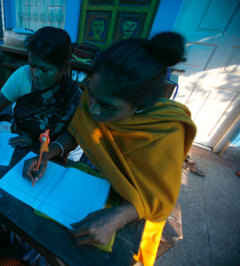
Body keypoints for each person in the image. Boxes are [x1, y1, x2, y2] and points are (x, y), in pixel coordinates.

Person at [22, 32, 197, 265]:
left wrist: (119, 215)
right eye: (90, 95)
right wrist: (48, 154)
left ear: (140, 106)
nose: (93, 109)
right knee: (52, 231)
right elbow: (77, 132)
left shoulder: (166, 130)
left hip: (139, 202)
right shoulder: (98, 94)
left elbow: (161, 199)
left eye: (107, 107)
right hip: (93, 174)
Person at [0, 26, 81, 152]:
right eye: (32, 65)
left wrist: (37, 145)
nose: (35, 75)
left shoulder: (73, 95)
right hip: (16, 141)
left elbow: (72, 135)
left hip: (51, 154)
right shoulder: (23, 75)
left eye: (44, 70)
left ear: (64, 68)